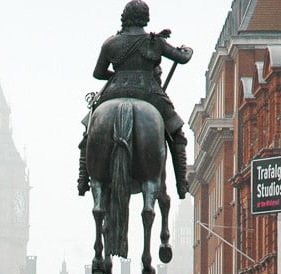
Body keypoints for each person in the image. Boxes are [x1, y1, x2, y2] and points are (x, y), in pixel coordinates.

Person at [78, 0, 194, 198]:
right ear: (145, 18)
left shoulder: (110, 43)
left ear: (125, 17)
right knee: (177, 133)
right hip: (149, 93)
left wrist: (117, 75)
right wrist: (188, 50)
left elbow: (98, 73)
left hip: (114, 92)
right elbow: (182, 58)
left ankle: (83, 179)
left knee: (89, 131)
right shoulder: (155, 41)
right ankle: (181, 184)